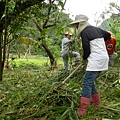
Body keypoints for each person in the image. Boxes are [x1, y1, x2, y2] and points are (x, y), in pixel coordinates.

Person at [68, 14, 111, 116]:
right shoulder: (97, 29)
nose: (76, 28)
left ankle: (83, 109)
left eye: (76, 25)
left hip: (96, 60)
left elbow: (87, 49)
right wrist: (99, 45)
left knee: (86, 83)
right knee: (90, 81)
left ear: (80, 24)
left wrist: (84, 59)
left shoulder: (85, 32)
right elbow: (108, 35)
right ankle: (96, 103)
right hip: (103, 58)